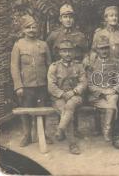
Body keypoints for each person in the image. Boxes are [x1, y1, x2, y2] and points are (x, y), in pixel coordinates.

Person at [11, 14, 52, 147]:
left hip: (42, 84)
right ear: (23, 30)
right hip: (26, 86)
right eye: (28, 27)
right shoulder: (18, 45)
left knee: (43, 110)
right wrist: (18, 86)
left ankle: (43, 134)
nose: (32, 30)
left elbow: (50, 66)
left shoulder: (43, 45)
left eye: (34, 27)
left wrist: (50, 84)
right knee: (26, 110)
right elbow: (14, 67)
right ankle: (27, 135)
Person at [82, 36, 119, 150]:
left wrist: (114, 89)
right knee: (112, 106)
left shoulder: (114, 63)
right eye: (101, 48)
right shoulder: (92, 64)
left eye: (106, 48)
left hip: (112, 94)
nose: (104, 51)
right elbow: (90, 84)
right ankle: (113, 135)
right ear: (97, 50)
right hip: (97, 97)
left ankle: (107, 130)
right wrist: (104, 92)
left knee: (113, 100)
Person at [47, 40, 87, 154]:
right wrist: (62, 94)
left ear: (74, 52)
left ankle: (60, 129)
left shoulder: (78, 66)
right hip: (58, 97)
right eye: (64, 51)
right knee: (66, 112)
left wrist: (74, 91)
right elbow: (51, 86)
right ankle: (72, 144)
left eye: (70, 51)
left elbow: (83, 82)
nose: (68, 54)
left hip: (75, 96)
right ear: (60, 53)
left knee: (69, 106)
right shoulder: (54, 67)